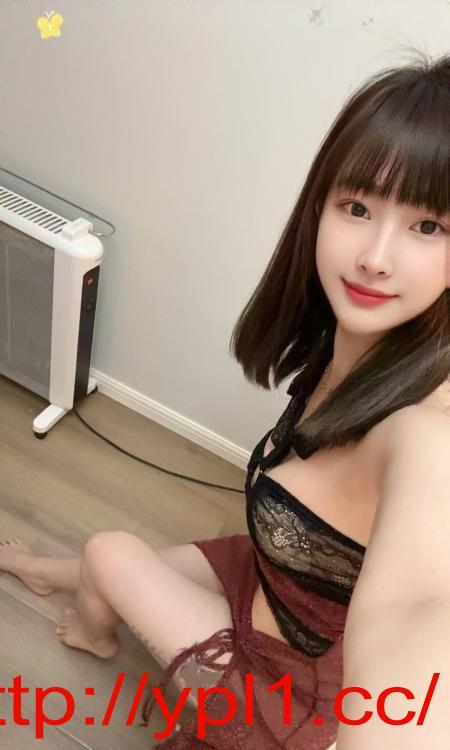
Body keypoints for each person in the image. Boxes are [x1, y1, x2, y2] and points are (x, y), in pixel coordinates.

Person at [0, 47, 449, 749]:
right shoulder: (351, 336)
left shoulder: (427, 431)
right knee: (108, 560)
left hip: (288, 683)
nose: (376, 256)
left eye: (428, 227)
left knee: (113, 552)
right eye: (357, 207)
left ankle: (93, 634)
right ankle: (48, 571)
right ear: (319, 208)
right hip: (274, 574)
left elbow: (419, 608)